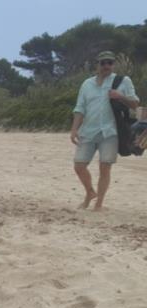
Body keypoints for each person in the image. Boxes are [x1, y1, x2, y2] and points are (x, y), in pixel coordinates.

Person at [71, 50, 140, 211]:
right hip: (88, 130)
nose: (106, 66)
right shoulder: (87, 84)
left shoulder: (123, 81)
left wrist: (120, 96)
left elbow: (135, 104)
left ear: (113, 64)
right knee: (79, 165)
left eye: (110, 62)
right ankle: (90, 192)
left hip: (111, 132)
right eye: (103, 63)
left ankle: (99, 204)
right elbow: (80, 108)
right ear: (98, 65)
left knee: (105, 167)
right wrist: (74, 129)